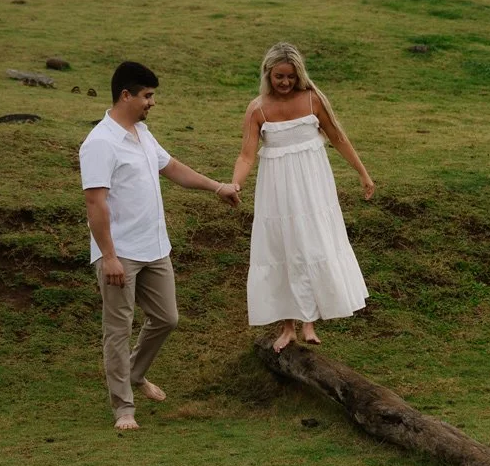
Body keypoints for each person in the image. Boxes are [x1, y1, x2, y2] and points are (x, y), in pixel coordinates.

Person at [80, 61, 240, 430]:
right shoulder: (100, 143)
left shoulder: (142, 133)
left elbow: (172, 169)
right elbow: (95, 203)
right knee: (118, 329)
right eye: (147, 96)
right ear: (126, 95)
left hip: (154, 248)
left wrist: (217, 187)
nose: (152, 102)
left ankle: (134, 374)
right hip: (119, 253)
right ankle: (123, 408)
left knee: (167, 318)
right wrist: (109, 257)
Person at [232, 42, 375, 352]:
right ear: (267, 74)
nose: (285, 83)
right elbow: (246, 155)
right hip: (277, 190)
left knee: (313, 244)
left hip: (312, 187)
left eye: (291, 77)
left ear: (299, 75)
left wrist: (363, 173)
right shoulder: (257, 109)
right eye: (279, 77)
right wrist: (235, 184)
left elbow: (338, 137)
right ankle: (288, 327)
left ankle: (309, 321)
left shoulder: (313, 100)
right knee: (283, 248)